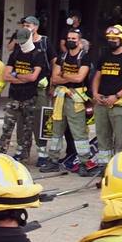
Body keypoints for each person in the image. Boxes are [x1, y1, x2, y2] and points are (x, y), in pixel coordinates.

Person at [91, 25, 122, 168]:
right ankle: (104, 166)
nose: (111, 41)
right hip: (102, 102)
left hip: (120, 104)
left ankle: (120, 168)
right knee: (102, 136)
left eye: (115, 38)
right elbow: (97, 76)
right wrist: (95, 93)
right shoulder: (104, 55)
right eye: (109, 38)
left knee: (121, 139)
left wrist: (116, 96)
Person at [46, 27, 93, 175]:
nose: (71, 41)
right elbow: (54, 78)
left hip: (76, 100)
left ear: (80, 41)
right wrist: (67, 78)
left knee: (79, 133)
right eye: (69, 39)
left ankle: (84, 163)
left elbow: (79, 78)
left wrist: (64, 75)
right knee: (56, 132)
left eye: (74, 39)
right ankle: (53, 160)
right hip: (60, 98)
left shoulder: (85, 57)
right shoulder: (62, 57)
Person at [2, 16, 46, 165]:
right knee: (7, 127)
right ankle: (1, 153)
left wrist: (15, 75)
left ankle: (25, 155)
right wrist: (22, 78)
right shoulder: (15, 53)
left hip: (30, 97)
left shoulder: (38, 54)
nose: (21, 44)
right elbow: (6, 76)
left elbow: (33, 77)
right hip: (15, 96)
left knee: (29, 128)